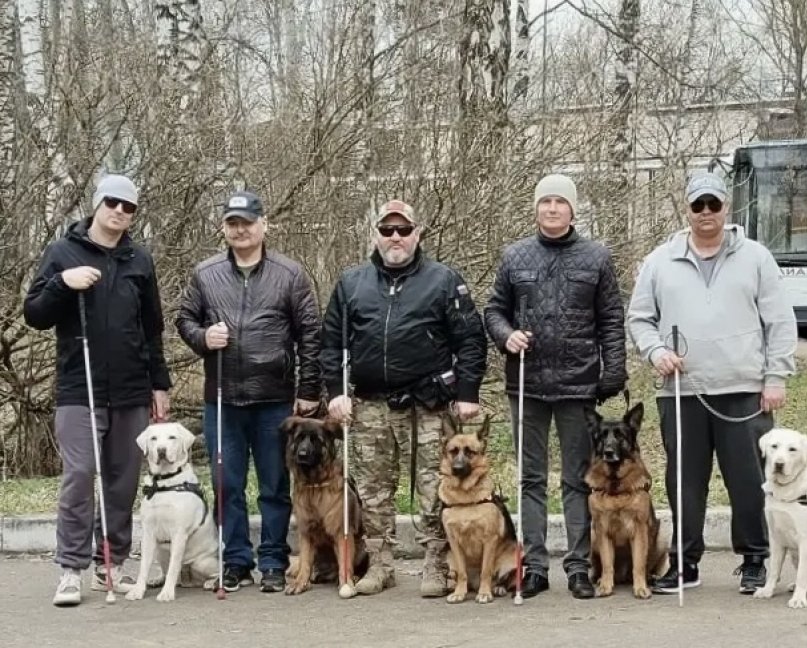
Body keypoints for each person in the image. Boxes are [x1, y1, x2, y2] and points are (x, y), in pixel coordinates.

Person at [626, 171, 797, 595]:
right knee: (684, 481)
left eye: (713, 205)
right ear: (687, 209)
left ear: (726, 208)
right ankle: (685, 562)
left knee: (748, 480)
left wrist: (775, 376)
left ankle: (755, 557)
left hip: (743, 389)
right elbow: (639, 318)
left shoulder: (756, 257)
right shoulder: (659, 260)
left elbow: (779, 321)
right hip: (681, 390)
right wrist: (655, 352)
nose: (706, 213)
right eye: (698, 205)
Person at [321, 199, 487, 598]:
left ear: (417, 233)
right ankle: (380, 564)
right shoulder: (351, 283)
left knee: (434, 486)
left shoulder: (445, 280)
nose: (395, 237)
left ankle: (436, 563)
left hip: (427, 404)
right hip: (370, 404)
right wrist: (335, 394)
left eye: (403, 229)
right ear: (375, 234)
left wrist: (467, 393)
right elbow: (329, 345)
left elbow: (471, 341)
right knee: (373, 489)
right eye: (387, 229)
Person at [24, 174, 172, 606]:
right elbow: (35, 314)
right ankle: (71, 569)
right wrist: (62, 284)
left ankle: (111, 564)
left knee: (122, 482)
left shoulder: (139, 261)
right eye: (113, 203)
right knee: (79, 476)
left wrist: (159, 383)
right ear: (97, 204)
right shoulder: (62, 253)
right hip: (79, 386)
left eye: (129, 208)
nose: (120, 213)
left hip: (131, 389)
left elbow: (152, 330)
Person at [483, 174, 628, 599]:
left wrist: (613, 371)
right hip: (526, 384)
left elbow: (611, 320)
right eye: (544, 201)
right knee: (531, 477)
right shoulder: (515, 256)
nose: (551, 209)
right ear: (536, 208)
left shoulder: (597, 257)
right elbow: (493, 311)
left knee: (578, 478)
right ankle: (535, 566)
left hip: (577, 384)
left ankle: (579, 566)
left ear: (572, 209)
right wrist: (506, 335)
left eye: (559, 202)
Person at [176, 190, 322, 594]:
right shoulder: (205, 273)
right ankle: (236, 559)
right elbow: (184, 319)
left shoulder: (289, 274)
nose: (240, 230)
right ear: (224, 228)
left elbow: (311, 333)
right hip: (222, 397)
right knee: (227, 482)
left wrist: (309, 389)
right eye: (232, 224)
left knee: (275, 484)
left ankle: (273, 559)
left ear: (263, 226)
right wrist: (204, 336)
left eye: (247, 223)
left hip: (274, 399)